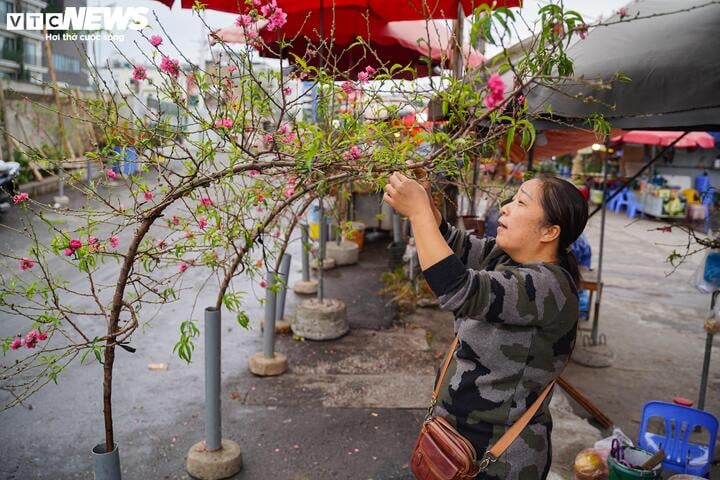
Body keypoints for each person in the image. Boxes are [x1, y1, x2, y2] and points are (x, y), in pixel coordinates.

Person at [383, 171, 588, 480]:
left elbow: (457, 288)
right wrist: (425, 202)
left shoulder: (550, 287)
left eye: (521, 202)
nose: (505, 207)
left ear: (549, 232)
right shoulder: (505, 256)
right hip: (455, 437)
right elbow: (453, 243)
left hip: (498, 459)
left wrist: (418, 211)